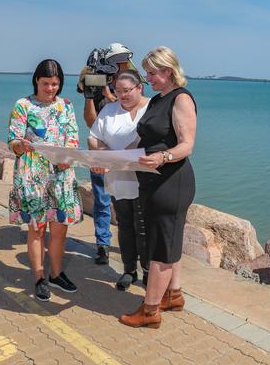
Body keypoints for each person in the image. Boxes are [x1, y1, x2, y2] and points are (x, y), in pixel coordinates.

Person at [119, 47, 197, 329]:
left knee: (162, 248)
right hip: (152, 182)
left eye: (152, 73)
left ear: (168, 71)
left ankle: (150, 311)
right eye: (147, 72)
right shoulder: (156, 101)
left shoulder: (181, 99)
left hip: (171, 182)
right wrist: (110, 158)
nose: (147, 78)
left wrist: (163, 157)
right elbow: (141, 141)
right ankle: (173, 295)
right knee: (168, 241)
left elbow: (187, 145)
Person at [8, 59, 82, 302]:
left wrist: (68, 157)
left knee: (60, 230)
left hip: (61, 174)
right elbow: (13, 141)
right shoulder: (23, 105)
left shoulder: (66, 106)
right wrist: (21, 144)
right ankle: (40, 277)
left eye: (55, 84)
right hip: (33, 175)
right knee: (37, 229)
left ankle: (57, 274)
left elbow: (72, 136)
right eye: (46, 83)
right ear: (36, 82)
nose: (51, 89)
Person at [88, 70, 150, 290]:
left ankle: (149, 273)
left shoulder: (152, 108)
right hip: (119, 178)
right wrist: (105, 154)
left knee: (144, 227)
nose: (122, 95)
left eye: (127, 91)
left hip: (146, 179)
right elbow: (93, 138)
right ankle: (129, 270)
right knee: (125, 225)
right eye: (117, 91)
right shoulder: (109, 110)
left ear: (139, 88)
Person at [79, 43, 139, 265]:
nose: (124, 64)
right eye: (121, 61)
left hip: (125, 155)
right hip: (100, 152)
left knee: (129, 203)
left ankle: (132, 247)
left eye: (125, 61)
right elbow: (91, 122)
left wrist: (113, 95)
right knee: (102, 202)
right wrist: (90, 95)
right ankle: (102, 245)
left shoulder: (131, 85)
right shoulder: (97, 81)